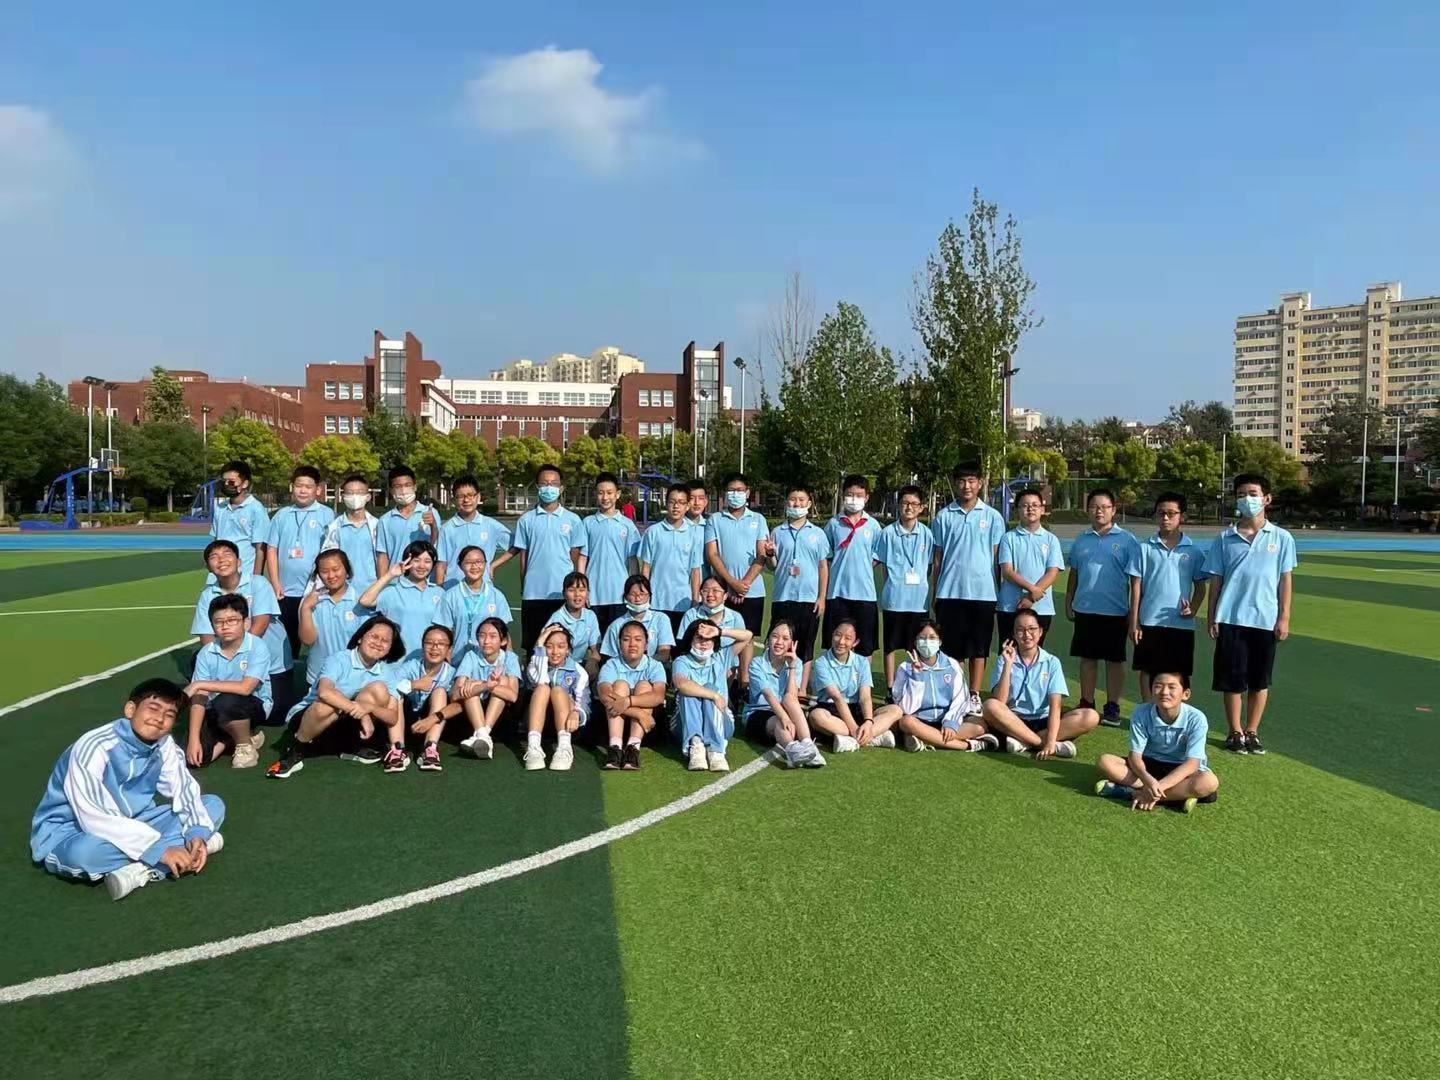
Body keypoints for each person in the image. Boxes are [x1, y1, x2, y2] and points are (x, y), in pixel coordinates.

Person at [30, 678, 225, 901]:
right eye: (153, 708)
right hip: (75, 830)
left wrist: (196, 833)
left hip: (137, 820)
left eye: (169, 714)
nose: (160, 719)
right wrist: (160, 850)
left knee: (212, 805)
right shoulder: (93, 746)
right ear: (130, 710)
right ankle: (168, 857)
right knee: (86, 854)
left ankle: (142, 871)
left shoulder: (164, 744)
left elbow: (184, 789)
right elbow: (93, 815)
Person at [1204, 473, 1297, 756]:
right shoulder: (1225, 538)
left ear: (1267, 498)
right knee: (1232, 680)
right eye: (1242, 494)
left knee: (1259, 679)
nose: (1248, 499)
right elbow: (1216, 581)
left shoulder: (1281, 538)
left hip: (1265, 619)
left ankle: (1252, 730)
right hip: (1231, 618)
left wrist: (1284, 617)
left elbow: (1285, 580)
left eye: (1253, 494)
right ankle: (1234, 730)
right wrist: (1211, 616)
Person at [266, 615, 407, 779]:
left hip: (341, 725)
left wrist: (370, 709)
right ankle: (295, 751)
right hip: (308, 720)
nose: (378, 643)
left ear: (390, 648)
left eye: (385, 640)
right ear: (360, 638)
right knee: (327, 704)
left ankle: (350, 747)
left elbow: (392, 717)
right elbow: (324, 692)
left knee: (379, 689)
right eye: (374, 636)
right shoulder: (338, 659)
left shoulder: (387, 672)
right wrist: (363, 715)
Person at [931, 461, 1006, 717]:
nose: (967, 486)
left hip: (983, 594)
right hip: (950, 592)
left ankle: (974, 695)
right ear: (955, 484)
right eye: (962, 481)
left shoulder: (993, 517)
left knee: (979, 648)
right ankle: (956, 694)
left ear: (980, 483)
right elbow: (938, 559)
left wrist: (998, 591)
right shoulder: (943, 516)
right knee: (952, 650)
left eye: (972, 480)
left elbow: (997, 558)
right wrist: (935, 593)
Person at [191, 540, 293, 721]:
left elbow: (261, 623)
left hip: (272, 663)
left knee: (274, 718)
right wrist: (217, 661)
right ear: (208, 568)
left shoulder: (258, 583)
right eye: (214, 557)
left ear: (239, 561)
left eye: (227, 554)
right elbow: (206, 636)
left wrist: (242, 658)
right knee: (200, 662)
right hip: (231, 662)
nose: (221, 560)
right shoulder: (207, 595)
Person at [1065, 487, 1142, 727]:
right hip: (1085, 609)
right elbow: (1074, 573)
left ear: (1113, 510)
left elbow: (1135, 581)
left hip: (1116, 611)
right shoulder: (1082, 540)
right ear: (1088, 510)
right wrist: (1069, 600)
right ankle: (1086, 702)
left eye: (1104, 507)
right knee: (1087, 659)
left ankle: (1112, 706)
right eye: (1094, 507)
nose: (1099, 511)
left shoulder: (1127, 540)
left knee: (1114, 661)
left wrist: (1134, 615)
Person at [1095, 672, 1220, 812]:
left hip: (1181, 769)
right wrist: (1148, 780)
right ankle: (1177, 797)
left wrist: (1159, 786)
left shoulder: (1197, 718)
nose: (1164, 692)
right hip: (1149, 765)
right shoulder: (1141, 712)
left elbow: (1192, 764)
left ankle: (1134, 794)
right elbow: (1135, 756)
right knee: (1105, 761)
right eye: (1158, 686)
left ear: (1185, 694)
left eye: (1172, 687)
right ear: (1151, 691)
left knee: (1208, 782)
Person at [981, 609, 1099, 757]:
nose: (1027, 634)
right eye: (1020, 630)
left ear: (1041, 631)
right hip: (1013, 719)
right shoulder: (1004, 659)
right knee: (990, 706)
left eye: (1032, 629)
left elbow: (1055, 705)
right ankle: (1040, 744)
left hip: (1044, 720)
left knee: (1091, 716)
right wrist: (1008, 664)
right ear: (1014, 634)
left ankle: (1023, 742)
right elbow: (1000, 701)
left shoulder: (1052, 662)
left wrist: (1051, 739)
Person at [493, 466, 587, 650]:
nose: (549, 487)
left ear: (561, 488)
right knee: (533, 646)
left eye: (553, 483)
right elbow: (523, 555)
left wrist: (577, 587)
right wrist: (524, 584)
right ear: (537, 487)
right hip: (534, 592)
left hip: (563, 592)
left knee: (561, 646)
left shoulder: (573, 520)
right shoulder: (526, 520)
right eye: (544, 483)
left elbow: (575, 555)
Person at [1129, 492, 1208, 703]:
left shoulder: (1194, 551)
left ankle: (1174, 713)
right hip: (1149, 621)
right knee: (1147, 669)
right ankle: (1148, 711)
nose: (1165, 517)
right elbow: (1136, 587)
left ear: (1182, 516)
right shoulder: (1144, 548)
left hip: (1181, 624)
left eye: (1171, 513)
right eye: (1161, 513)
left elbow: (1200, 588)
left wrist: (1193, 608)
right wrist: (1134, 621)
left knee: (1179, 672)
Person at [184, 594, 272, 769]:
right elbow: (199, 698)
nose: (225, 626)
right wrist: (193, 739)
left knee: (227, 702)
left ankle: (244, 746)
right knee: (197, 760)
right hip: (216, 710)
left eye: (232, 620)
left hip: (253, 706)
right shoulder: (206, 653)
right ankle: (238, 737)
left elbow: (246, 688)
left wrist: (199, 683)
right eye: (219, 622)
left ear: (246, 623)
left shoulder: (257, 646)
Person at [765, 484, 830, 685]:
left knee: (806, 644)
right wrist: (769, 554)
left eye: (801, 500)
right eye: (793, 500)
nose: (797, 504)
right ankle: (776, 682)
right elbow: (773, 566)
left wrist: (821, 597)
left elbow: (823, 567)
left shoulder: (818, 533)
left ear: (809, 503)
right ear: (787, 503)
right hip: (782, 596)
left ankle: (801, 687)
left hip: (809, 599)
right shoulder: (777, 532)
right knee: (777, 642)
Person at [265, 465, 334, 653]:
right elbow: (271, 549)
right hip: (285, 591)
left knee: (318, 641)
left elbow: (331, 551)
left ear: (318, 490)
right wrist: (275, 582)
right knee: (287, 643)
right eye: (299, 486)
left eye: (308, 487)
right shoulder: (281, 515)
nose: (303, 490)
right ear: (291, 487)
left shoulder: (327, 514)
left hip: (316, 590)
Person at [892, 621, 991, 752]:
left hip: (946, 720)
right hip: (919, 721)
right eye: (922, 638)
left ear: (940, 642)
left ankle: (924, 738)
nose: (927, 642)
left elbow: (961, 699)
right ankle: (967, 745)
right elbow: (907, 708)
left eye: (932, 638)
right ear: (915, 642)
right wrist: (917, 677)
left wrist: (950, 723)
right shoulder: (905, 668)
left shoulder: (952, 665)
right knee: (906, 722)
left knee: (980, 727)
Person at [808, 619, 902, 752]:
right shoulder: (821, 663)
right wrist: (854, 728)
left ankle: (857, 738)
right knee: (816, 716)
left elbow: (865, 697)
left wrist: (868, 721)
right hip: (831, 710)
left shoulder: (862, 662)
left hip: (856, 709)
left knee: (896, 710)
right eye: (838, 635)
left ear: (855, 642)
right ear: (832, 635)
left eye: (848, 638)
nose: (841, 641)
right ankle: (870, 737)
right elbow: (837, 697)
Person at [877, 484, 935, 689]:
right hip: (894, 600)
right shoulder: (887, 533)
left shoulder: (927, 534)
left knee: (918, 646)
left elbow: (929, 567)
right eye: (904, 503)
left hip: (919, 601)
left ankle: (916, 684)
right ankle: (890, 687)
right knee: (890, 646)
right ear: (898, 505)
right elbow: (884, 567)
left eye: (914, 504)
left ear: (921, 507)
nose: (909, 507)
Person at [743, 621, 825, 767]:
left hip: (786, 711)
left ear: (792, 644)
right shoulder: (757, 663)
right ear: (768, 639)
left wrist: (792, 666)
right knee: (779, 722)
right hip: (760, 713)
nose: (779, 642)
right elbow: (768, 695)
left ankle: (808, 745)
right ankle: (793, 751)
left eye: (785, 638)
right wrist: (785, 717)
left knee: (788, 699)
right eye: (775, 636)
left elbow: (792, 697)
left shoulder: (796, 663)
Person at [820, 474, 883, 662]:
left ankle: (863, 680)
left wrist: (861, 567)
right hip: (837, 594)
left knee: (865, 646)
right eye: (849, 495)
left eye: (859, 495)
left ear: (867, 497)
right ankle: (833, 678)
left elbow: (878, 555)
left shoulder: (874, 526)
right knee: (835, 643)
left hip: (865, 595)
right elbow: (826, 557)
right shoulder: (833, 524)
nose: (854, 499)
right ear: (843, 496)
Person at [996, 487, 1064, 647]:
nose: (1030, 509)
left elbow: (1052, 572)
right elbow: (1007, 571)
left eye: (1035, 505)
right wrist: (1032, 590)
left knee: (1035, 654)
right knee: (1008, 653)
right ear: (1017, 510)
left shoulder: (1051, 539)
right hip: (1010, 606)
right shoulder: (1008, 538)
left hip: (1042, 608)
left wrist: (1031, 597)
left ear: (1042, 509)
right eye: (1025, 505)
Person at [596, 621, 668, 770]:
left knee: (644, 686)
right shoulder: (611, 665)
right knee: (620, 685)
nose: (632, 644)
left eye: (638, 639)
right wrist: (639, 714)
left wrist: (628, 701)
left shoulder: (655, 665)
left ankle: (633, 748)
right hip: (619, 722)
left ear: (646, 644)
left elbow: (658, 696)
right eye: (626, 639)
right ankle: (615, 748)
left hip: (648, 725)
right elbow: (605, 695)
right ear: (619, 643)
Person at [388, 623, 459, 773]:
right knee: (395, 694)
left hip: (433, 721)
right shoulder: (411, 666)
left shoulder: (452, 673)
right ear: (422, 647)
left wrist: (432, 719)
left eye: (441, 644)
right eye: (429, 643)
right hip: (406, 718)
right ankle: (397, 749)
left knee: (440, 691)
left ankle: (430, 748)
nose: (434, 648)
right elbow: (388, 686)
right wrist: (414, 685)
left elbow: (459, 705)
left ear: (449, 650)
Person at [705, 472, 768, 636]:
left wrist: (743, 585)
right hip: (723, 591)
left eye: (740, 490)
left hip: (752, 591)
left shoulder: (758, 519)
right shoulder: (715, 519)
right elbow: (712, 555)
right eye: (731, 490)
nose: (735, 494)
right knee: (719, 637)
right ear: (725, 494)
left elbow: (761, 555)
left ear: (747, 493)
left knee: (748, 638)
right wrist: (732, 583)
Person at [579, 471, 641, 637]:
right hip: (594, 595)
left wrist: (633, 588)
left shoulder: (627, 525)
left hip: (619, 595)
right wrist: (582, 589)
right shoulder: (588, 523)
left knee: (618, 640)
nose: (605, 497)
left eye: (609, 492)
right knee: (594, 642)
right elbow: (583, 558)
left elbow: (632, 560)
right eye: (600, 493)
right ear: (595, 494)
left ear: (617, 494)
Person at [357, 540, 446, 657]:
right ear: (407, 561)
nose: (422, 566)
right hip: (397, 659)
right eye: (416, 560)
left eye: (427, 561)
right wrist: (390, 575)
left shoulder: (439, 593)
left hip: (427, 659)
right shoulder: (393, 590)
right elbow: (365, 601)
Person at [451, 616, 523, 759]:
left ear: (503, 641)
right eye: (482, 636)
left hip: (501, 715)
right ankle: (484, 736)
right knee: (470, 692)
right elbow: (455, 694)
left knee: (501, 686)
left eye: (492, 636)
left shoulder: (510, 658)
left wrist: (482, 684)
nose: (486, 641)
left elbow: (513, 696)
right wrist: (483, 686)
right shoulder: (471, 656)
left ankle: (482, 734)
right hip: (472, 713)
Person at [298, 549, 371, 687]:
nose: (331, 576)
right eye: (324, 571)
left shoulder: (360, 601)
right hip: (317, 677)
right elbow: (307, 640)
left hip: (352, 679)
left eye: (336, 569)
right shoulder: (311, 601)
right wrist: (306, 608)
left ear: (347, 570)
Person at [639, 483, 705, 637]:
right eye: (672, 502)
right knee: (657, 645)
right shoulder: (653, 532)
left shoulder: (693, 534)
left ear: (687, 506)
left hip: (683, 602)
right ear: (666, 503)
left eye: (681, 502)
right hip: (657, 601)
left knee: (680, 646)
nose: (676, 507)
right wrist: (644, 595)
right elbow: (646, 568)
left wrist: (695, 599)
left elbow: (695, 571)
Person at [523, 624, 589, 772]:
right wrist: (539, 645)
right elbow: (541, 680)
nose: (554, 652)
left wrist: (576, 713)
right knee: (543, 688)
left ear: (568, 649)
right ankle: (534, 748)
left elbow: (584, 702)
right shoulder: (534, 666)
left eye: (561, 646)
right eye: (548, 646)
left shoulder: (579, 672)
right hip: (539, 725)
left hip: (568, 726)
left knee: (558, 691)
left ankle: (564, 749)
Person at [671, 619, 735, 772]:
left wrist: (719, 631)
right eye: (699, 638)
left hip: (721, 720)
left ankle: (716, 750)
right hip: (683, 723)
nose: (704, 642)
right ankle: (696, 745)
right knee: (689, 690)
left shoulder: (719, 660)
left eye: (709, 639)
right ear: (690, 640)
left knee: (709, 687)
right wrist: (714, 695)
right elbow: (681, 683)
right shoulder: (681, 661)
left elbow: (747, 637)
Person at [679, 575, 752, 707]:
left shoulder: (735, 616)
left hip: (725, 665)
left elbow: (747, 637)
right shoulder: (691, 614)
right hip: (695, 664)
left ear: (725, 595)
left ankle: (739, 688)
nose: (710, 595)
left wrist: (719, 631)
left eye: (715, 590)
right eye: (705, 590)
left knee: (746, 645)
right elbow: (683, 646)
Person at [439, 545, 513, 663]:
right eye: (468, 562)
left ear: (485, 564)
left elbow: (505, 634)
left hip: (489, 664)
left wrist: (509, 662)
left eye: (479, 562)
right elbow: (444, 634)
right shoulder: (449, 596)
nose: (474, 566)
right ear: (460, 566)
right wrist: (446, 664)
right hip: (457, 662)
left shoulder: (497, 596)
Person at [434, 474, 511, 585]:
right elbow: (441, 564)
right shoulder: (446, 529)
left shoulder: (490, 525)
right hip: (453, 586)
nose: (466, 500)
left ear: (478, 497)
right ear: (454, 500)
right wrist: (439, 589)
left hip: (483, 587)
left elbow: (517, 545)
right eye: (461, 496)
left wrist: (493, 565)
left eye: (470, 495)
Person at [209, 459, 271, 580]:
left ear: (245, 484)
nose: (227, 484)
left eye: (231, 482)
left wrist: (256, 579)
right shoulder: (220, 508)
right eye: (224, 481)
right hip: (220, 575)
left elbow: (261, 548)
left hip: (244, 576)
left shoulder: (256, 509)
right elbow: (215, 542)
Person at [376, 465, 439, 578]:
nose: (403, 490)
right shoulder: (385, 520)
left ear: (415, 486)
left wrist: (433, 526)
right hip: (395, 581)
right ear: (391, 490)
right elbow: (383, 555)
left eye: (407, 485)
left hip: (424, 580)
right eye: (398, 486)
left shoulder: (430, 513)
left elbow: (436, 546)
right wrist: (382, 584)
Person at [321, 474, 381, 591]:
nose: (355, 497)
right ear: (343, 497)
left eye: (359, 492)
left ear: (368, 497)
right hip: (343, 592)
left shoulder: (378, 526)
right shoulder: (334, 528)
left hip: (372, 591)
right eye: (350, 493)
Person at [599, 574, 676, 661]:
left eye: (642, 594)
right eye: (633, 594)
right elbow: (611, 658)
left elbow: (664, 654)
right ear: (625, 597)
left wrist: (641, 663)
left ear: (649, 596)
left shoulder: (661, 619)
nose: (638, 599)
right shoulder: (616, 625)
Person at [547, 571, 602, 683]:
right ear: (564, 594)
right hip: (560, 665)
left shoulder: (590, 616)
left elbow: (595, 649)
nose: (577, 595)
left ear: (587, 593)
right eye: (571, 590)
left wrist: (593, 661)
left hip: (580, 664)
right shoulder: (557, 619)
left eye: (582, 590)